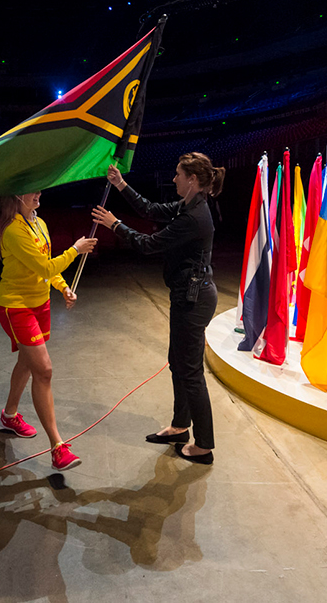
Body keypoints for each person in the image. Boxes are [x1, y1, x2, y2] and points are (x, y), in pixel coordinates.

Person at [90, 153, 223, 465]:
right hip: (186, 296)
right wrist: (121, 184)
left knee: (191, 373)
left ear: (192, 180)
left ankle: (204, 445)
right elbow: (150, 209)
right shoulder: (188, 205)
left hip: (194, 299)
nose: (174, 179)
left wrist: (115, 224)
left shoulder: (194, 217)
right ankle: (180, 426)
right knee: (178, 364)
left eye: (178, 174)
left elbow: (148, 244)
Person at [0, 191, 97, 471]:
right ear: (16, 195)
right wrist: (75, 250)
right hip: (16, 307)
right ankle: (57, 447)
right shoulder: (14, 231)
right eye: (33, 189)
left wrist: (62, 287)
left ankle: (9, 415)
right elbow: (45, 265)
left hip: (40, 304)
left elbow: (47, 271)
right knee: (44, 370)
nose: (39, 193)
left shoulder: (39, 223)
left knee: (27, 364)